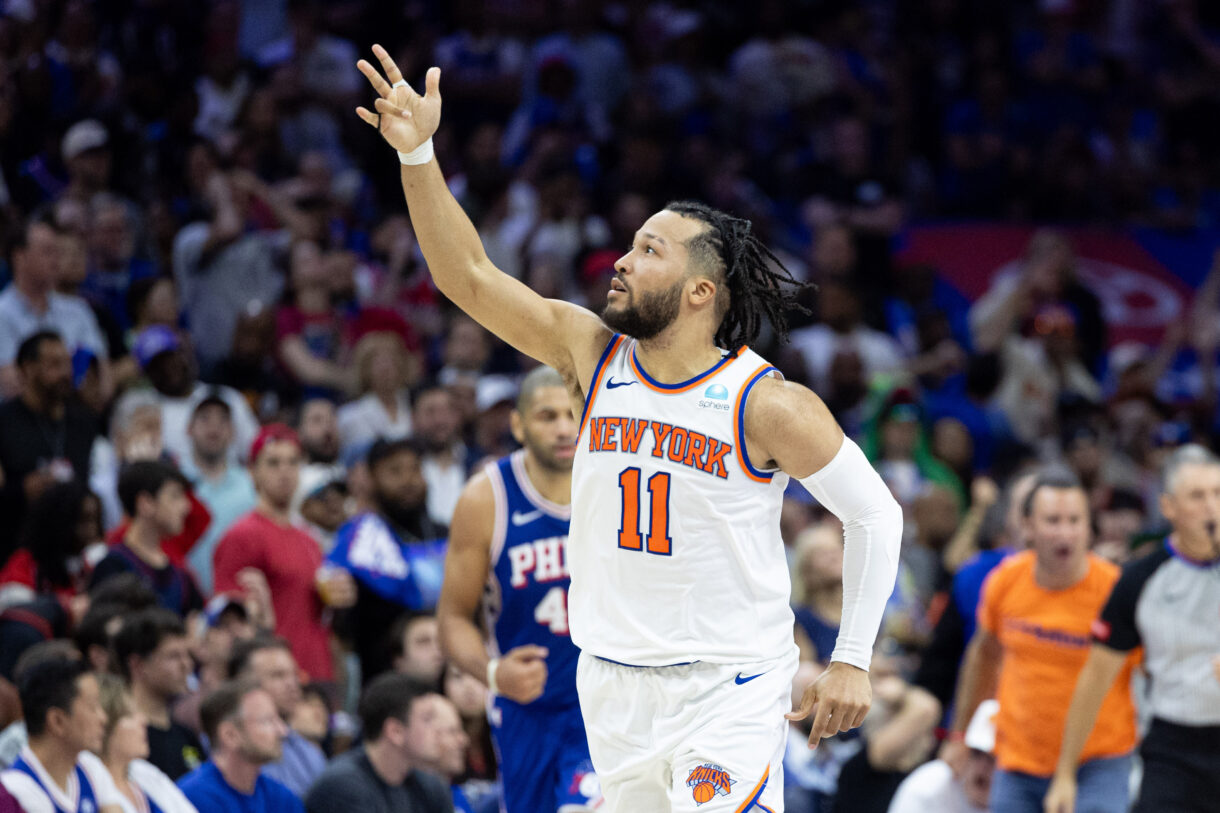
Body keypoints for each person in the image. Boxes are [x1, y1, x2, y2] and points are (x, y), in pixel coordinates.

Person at [356, 48, 902, 810]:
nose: (621, 260)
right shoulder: (591, 354)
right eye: (630, 244)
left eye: (649, 251)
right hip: (611, 682)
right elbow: (467, 277)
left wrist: (852, 657)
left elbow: (875, 513)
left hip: (726, 684)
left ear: (700, 290)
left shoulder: (764, 403)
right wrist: (417, 154)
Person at [437, 365, 600, 812]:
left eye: (573, 414)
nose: (564, 428)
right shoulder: (485, 499)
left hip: (604, 703)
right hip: (524, 708)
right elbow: (452, 618)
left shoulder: (614, 484)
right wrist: (493, 674)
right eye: (548, 416)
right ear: (518, 424)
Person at [945, 468, 1137, 813]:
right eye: (1052, 521)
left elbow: (1153, 668)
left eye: (1074, 520)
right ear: (1028, 526)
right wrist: (959, 735)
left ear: (1089, 527)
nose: (1065, 532)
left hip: (1099, 761)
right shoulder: (1005, 581)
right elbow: (983, 657)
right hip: (1019, 760)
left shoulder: (1115, 591)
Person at [1045, 445, 1220, 813]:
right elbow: (1095, 679)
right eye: (1197, 496)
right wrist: (1065, 772)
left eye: (1218, 493)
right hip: (1174, 747)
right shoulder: (1140, 581)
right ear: (1168, 507)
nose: (1212, 507)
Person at [214, 426, 356, 682]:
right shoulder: (242, 535)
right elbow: (228, 621)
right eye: (273, 463)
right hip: (273, 679)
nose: (285, 471)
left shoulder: (309, 538)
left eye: (293, 462)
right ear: (252, 472)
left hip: (316, 674)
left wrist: (341, 599)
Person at [327, 437, 446, 680]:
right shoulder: (360, 543)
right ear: (371, 479)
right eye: (395, 471)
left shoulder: (445, 535)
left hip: (448, 671)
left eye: (415, 469)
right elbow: (344, 628)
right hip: (383, 677)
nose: (408, 480)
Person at [0, 331, 100, 561]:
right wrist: (22, 490)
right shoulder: (4, 422)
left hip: (74, 548)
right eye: (54, 365)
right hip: (14, 547)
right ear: (28, 369)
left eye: (67, 363)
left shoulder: (83, 421)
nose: (66, 373)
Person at [303, 673, 452, 813]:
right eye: (427, 719)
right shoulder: (341, 787)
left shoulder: (429, 786)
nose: (440, 729)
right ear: (395, 731)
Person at [0, 216, 108, 398]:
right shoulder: (2, 313)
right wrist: (76, 378)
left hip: (80, 411)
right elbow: (11, 384)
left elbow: (102, 379)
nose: (56, 260)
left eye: (57, 252)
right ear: (20, 257)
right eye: (47, 252)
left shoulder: (78, 309)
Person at [0, 658, 123, 813]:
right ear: (57, 721)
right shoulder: (16, 791)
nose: (103, 718)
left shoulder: (89, 766)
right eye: (93, 707)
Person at [89, 462, 204, 618]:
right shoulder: (112, 568)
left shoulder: (180, 576)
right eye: (175, 496)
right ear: (145, 503)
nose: (186, 507)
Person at [177, 681, 301, 813]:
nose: (283, 731)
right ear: (230, 735)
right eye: (267, 721)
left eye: (278, 719)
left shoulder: (281, 798)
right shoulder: (188, 800)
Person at [227, 638, 325, 800]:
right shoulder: (225, 745)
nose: (292, 684)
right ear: (242, 681)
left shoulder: (308, 752)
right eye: (278, 676)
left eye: (294, 675)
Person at [112, 609, 204, 781]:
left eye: (187, 655)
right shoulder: (120, 737)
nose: (187, 665)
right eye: (173, 656)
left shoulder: (186, 735)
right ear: (137, 665)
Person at [181, 392, 258, 596]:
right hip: (185, 597)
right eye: (205, 418)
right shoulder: (174, 483)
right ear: (189, 429)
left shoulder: (250, 484)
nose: (214, 427)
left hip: (237, 599)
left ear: (233, 432)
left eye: (223, 420)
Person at [87, 673, 197, 813]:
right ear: (104, 724)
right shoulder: (89, 785)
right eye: (129, 715)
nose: (143, 721)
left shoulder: (145, 772)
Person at [887, 699, 997, 813]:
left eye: (995, 760)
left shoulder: (1008, 802)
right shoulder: (928, 786)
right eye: (977, 753)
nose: (984, 766)